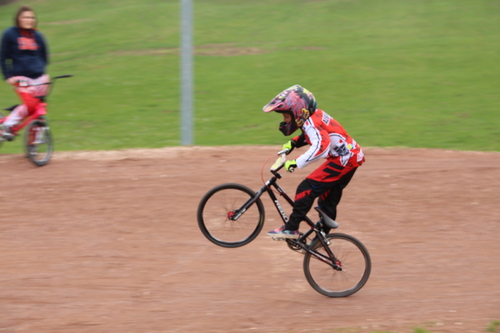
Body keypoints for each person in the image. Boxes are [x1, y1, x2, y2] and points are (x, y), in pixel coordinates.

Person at [263, 84, 365, 239]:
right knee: (326, 198)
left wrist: (296, 162)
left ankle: (291, 228)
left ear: (298, 112)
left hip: (344, 160)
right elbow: (315, 135)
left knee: (306, 188)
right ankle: (321, 238)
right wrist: (294, 143)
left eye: (286, 116)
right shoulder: (313, 117)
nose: (284, 121)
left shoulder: (311, 123)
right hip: (351, 157)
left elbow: (321, 147)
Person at [0, 5, 49, 140]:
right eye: (25, 17)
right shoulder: (9, 34)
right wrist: (8, 76)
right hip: (21, 77)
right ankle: (7, 126)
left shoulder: (38, 36)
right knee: (30, 104)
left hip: (40, 77)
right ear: (18, 19)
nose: (29, 20)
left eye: (31, 17)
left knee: (39, 109)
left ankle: (35, 141)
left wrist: (41, 71)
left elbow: (44, 57)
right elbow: (3, 57)